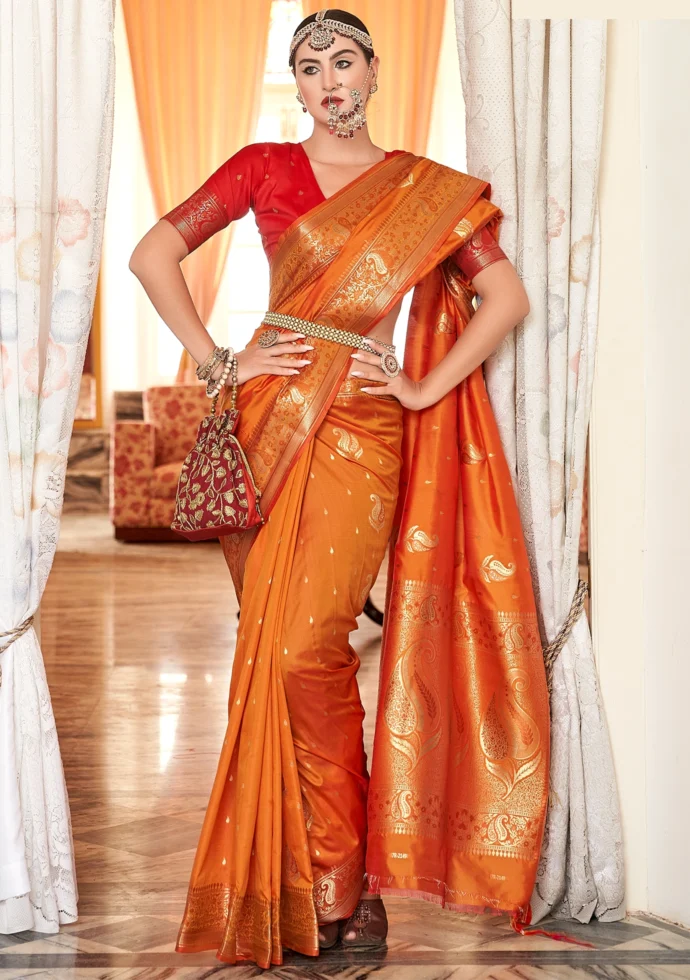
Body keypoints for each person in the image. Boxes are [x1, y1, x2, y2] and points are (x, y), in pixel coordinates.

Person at [128, 9, 550, 970]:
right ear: (297, 82)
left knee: (307, 649)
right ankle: (324, 886)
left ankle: (341, 880)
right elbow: (153, 254)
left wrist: (420, 384)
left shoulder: (423, 190)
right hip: (270, 420)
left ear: (371, 72)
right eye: (309, 65)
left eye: (342, 61)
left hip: (364, 429)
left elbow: (508, 299)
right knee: (276, 652)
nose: (327, 79)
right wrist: (220, 361)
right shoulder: (263, 167)